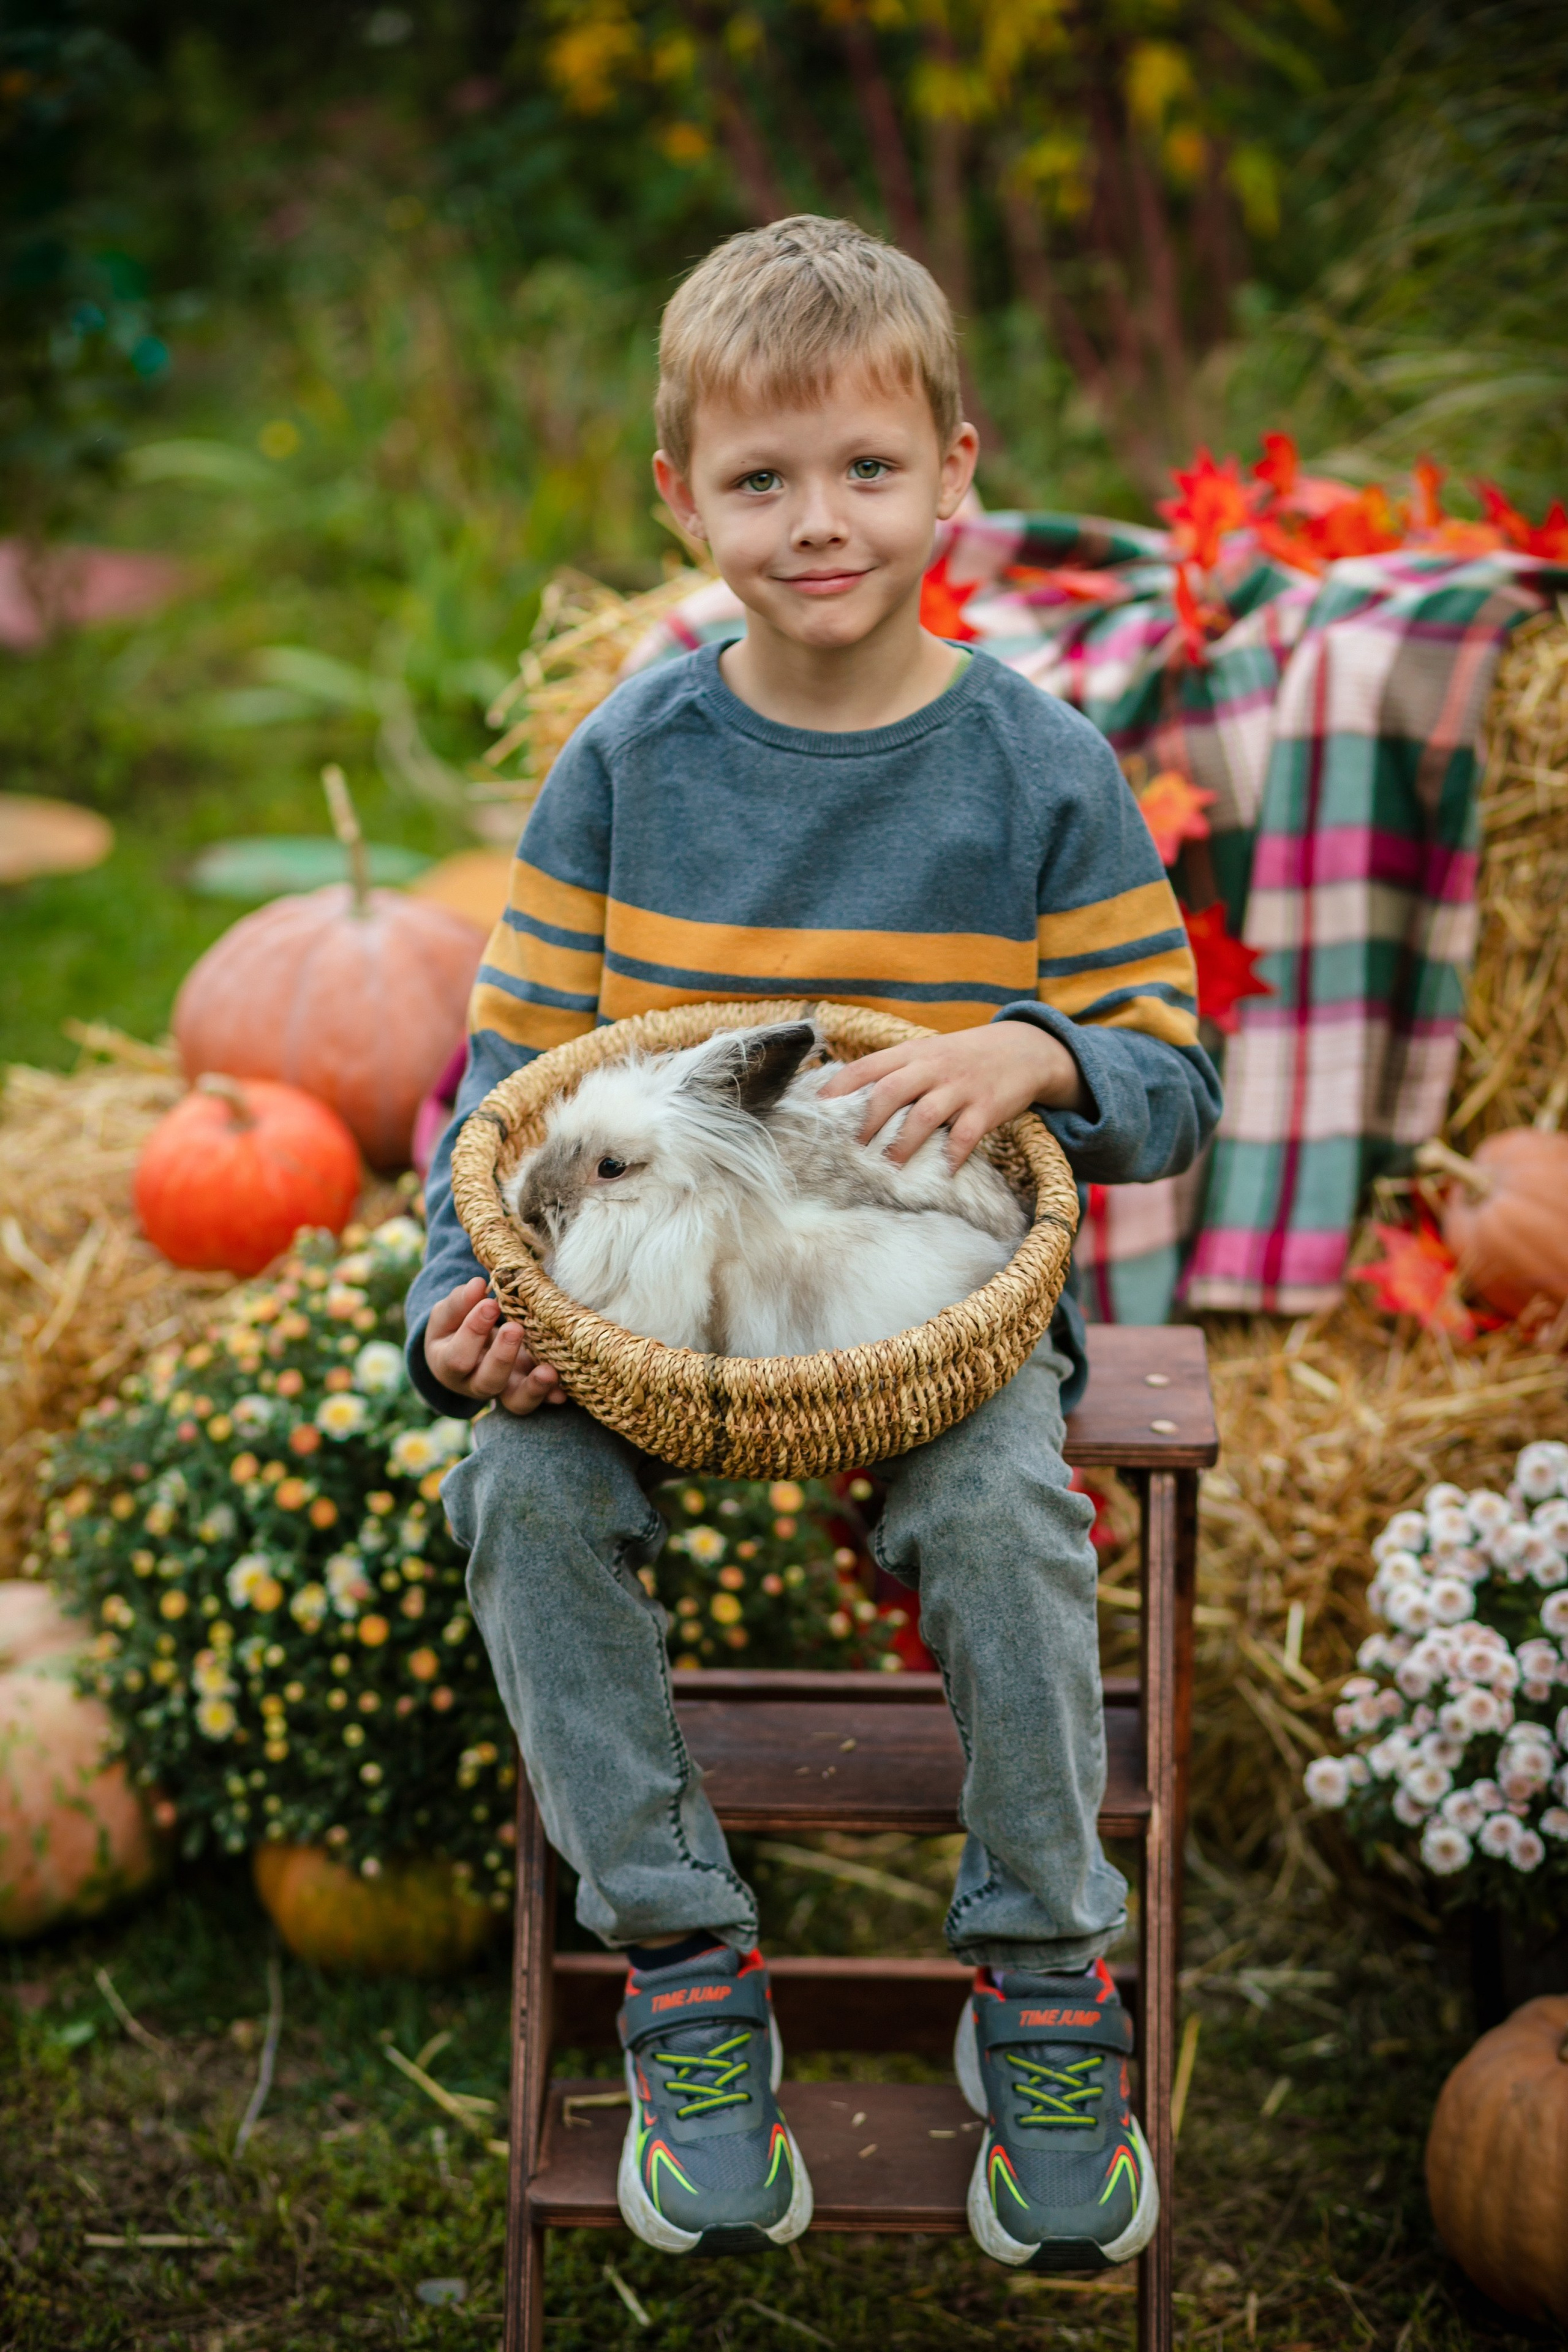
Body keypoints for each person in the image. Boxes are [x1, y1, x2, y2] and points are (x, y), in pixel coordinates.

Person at [405, 216, 1221, 2272]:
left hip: (928, 1313)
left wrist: (1040, 1054)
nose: (820, 520)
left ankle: (1043, 1969)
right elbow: (500, 1096)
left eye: (868, 466)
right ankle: (683, 1959)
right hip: (650, 1314)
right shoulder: (630, 763)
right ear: (681, 500)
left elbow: (1171, 1080)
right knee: (517, 1495)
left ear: (957, 473)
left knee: (1010, 1517)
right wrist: (458, 1312)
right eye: (761, 478)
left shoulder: (1037, 767)